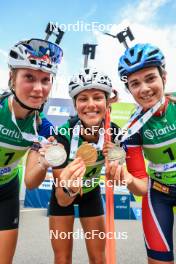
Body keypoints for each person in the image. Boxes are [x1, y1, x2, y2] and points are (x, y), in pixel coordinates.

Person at [25, 67, 119, 264]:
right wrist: (71, 185)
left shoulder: (114, 132)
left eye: (97, 97)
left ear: (106, 102)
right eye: (83, 99)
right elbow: (63, 196)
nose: (91, 105)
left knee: (99, 259)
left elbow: (122, 165)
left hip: (91, 192)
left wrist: (117, 160)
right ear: (75, 105)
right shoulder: (63, 134)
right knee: (62, 258)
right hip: (64, 193)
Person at [107, 43, 176, 264]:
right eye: (135, 83)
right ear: (129, 89)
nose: (144, 89)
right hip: (159, 194)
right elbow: (141, 186)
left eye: (150, 78)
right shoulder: (132, 128)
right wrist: (126, 176)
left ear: (163, 77)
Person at [0, 37, 63, 263]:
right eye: (29, 77)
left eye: (45, 80)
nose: (38, 89)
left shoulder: (42, 127)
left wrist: (45, 163)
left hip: (5, 191)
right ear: (12, 78)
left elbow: (31, 182)